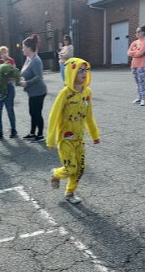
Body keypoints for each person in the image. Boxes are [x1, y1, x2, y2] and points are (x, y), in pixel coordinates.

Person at [47, 57, 100, 204]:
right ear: (72, 73)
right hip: (65, 140)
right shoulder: (64, 94)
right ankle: (55, 173)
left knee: (80, 168)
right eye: (80, 70)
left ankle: (69, 193)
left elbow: (89, 116)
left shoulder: (87, 93)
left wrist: (94, 134)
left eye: (85, 70)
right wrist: (50, 140)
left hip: (79, 139)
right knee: (71, 168)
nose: (84, 73)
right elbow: (54, 116)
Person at [20, 34, 47, 142]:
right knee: (32, 112)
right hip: (32, 92)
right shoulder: (28, 59)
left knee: (36, 113)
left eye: (23, 47)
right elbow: (25, 73)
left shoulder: (36, 60)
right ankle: (32, 133)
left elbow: (39, 76)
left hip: (39, 91)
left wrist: (27, 82)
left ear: (28, 48)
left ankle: (40, 135)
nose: (22, 49)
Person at [127, 24, 145, 106]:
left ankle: (143, 99)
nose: (136, 33)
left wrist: (136, 53)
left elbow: (140, 53)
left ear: (143, 32)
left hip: (142, 65)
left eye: (138, 31)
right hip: (134, 65)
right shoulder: (135, 42)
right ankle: (139, 97)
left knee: (142, 82)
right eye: (136, 32)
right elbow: (129, 53)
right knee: (137, 82)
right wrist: (137, 53)